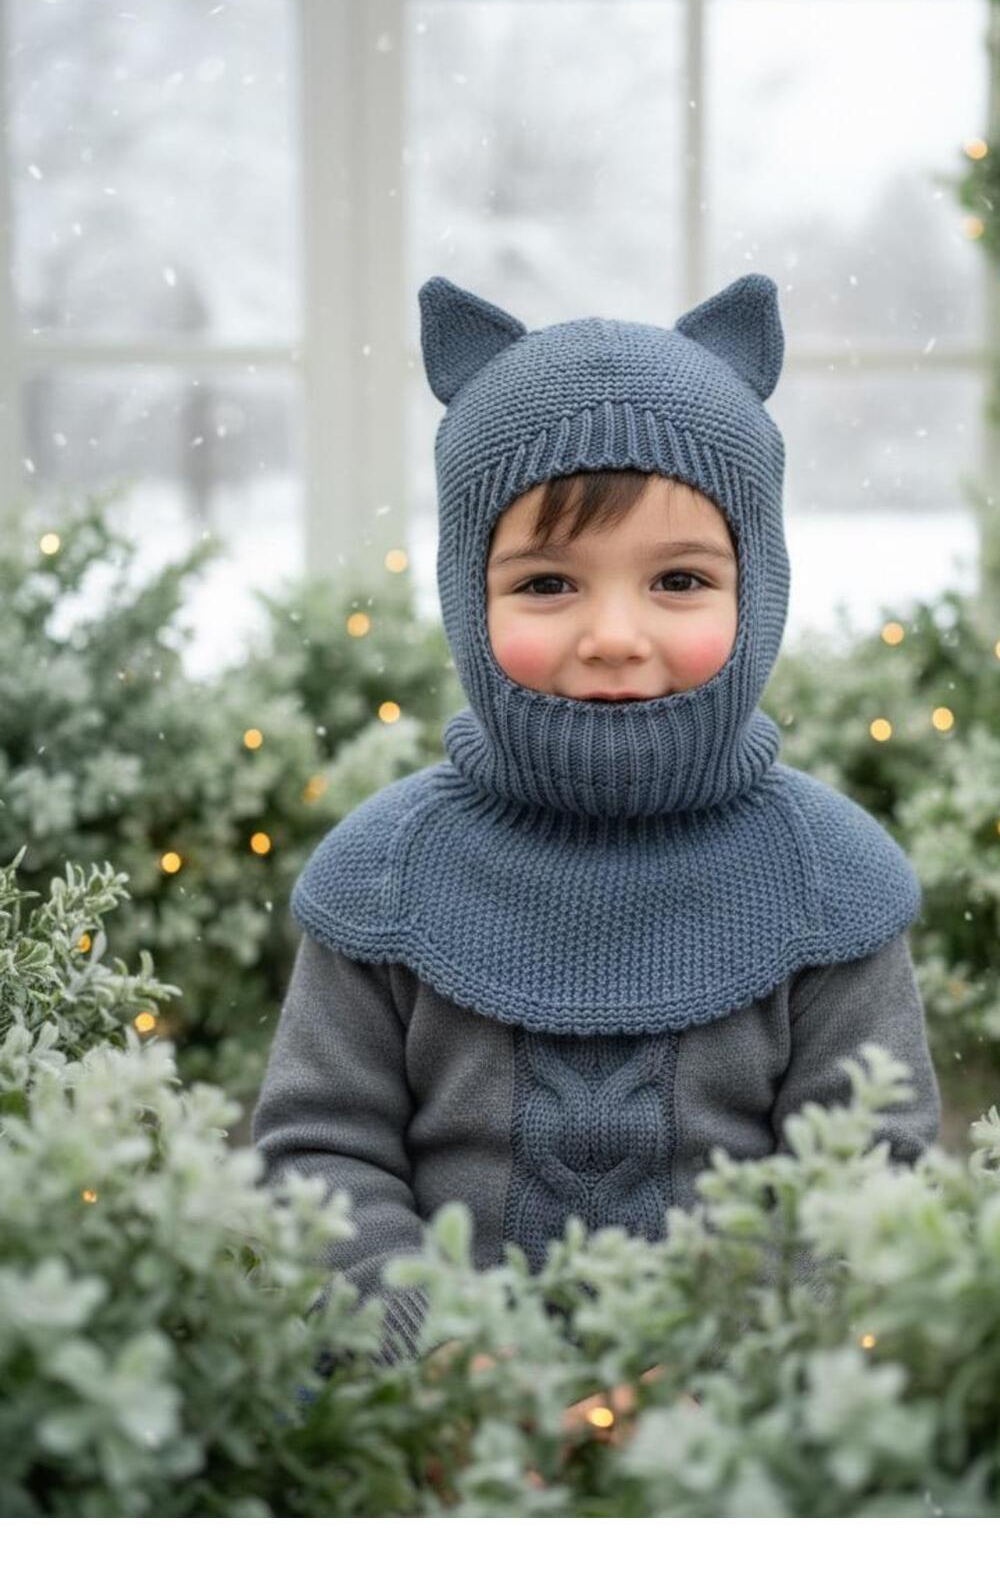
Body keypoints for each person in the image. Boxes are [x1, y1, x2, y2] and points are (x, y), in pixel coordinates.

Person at [251, 271, 942, 1398]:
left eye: (678, 579)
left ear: (755, 585)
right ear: (470, 596)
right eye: (547, 582)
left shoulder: (828, 882)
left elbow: (874, 1183)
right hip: (436, 1434)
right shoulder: (386, 880)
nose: (614, 634)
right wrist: (435, 1351)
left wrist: (718, 1367)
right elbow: (318, 1162)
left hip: (743, 1441)